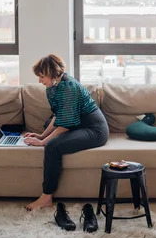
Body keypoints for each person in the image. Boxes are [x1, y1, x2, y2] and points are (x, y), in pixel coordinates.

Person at [24, 54, 109, 211]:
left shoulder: (67, 87)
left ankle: (46, 197)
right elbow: (58, 115)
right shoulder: (53, 87)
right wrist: (41, 135)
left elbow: (67, 123)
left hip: (94, 129)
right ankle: (47, 195)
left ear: (52, 74)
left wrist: (44, 142)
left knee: (52, 146)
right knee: (47, 124)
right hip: (78, 123)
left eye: (42, 76)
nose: (39, 81)